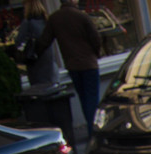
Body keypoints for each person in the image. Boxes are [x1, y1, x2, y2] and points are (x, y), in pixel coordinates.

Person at [36, 0, 102, 136]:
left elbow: (44, 41)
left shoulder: (54, 18)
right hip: (88, 63)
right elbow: (96, 38)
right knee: (92, 99)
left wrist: (31, 53)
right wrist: (96, 54)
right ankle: (94, 131)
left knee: (84, 98)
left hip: (72, 65)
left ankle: (91, 128)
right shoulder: (81, 16)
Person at [15, 0, 56, 85]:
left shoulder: (28, 23)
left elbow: (19, 41)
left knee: (39, 88)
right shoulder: (46, 20)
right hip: (50, 61)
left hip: (36, 62)